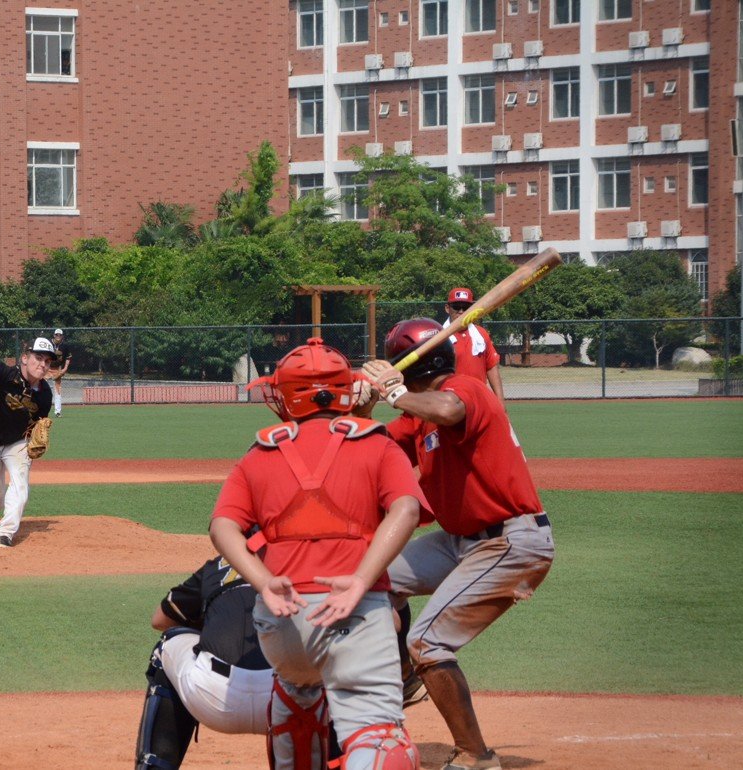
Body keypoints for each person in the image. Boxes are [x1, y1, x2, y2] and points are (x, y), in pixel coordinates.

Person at [208, 338, 426, 770]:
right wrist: (362, 580)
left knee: (299, 707)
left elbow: (221, 526)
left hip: (283, 623)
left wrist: (264, 581)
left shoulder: (259, 453)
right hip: (354, 614)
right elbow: (407, 507)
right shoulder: (376, 444)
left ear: (287, 396)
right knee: (382, 743)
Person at [356, 318, 555, 770]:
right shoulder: (415, 419)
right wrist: (366, 408)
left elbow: (448, 410)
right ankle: (407, 679)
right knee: (374, 579)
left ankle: (476, 756)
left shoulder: (468, 388)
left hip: (512, 541)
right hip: (459, 541)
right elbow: (367, 449)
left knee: (428, 642)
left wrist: (393, 392)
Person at [135, 554, 275, 769]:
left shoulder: (221, 564)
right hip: (283, 704)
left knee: (171, 642)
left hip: (213, 697)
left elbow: (161, 620)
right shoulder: (304, 561)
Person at [0, 337, 56, 548]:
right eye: (38, 357)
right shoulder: (5, 373)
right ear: (24, 358)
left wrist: (34, 439)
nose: (42, 364)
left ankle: (5, 535)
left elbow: (35, 425)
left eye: (48, 361)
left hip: (17, 443)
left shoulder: (45, 395)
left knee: (20, 485)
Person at [444, 288, 505, 407]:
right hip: (451, 403)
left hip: (479, 401)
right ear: (447, 308)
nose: (461, 311)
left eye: (466, 307)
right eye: (456, 307)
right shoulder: (439, 337)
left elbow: (491, 367)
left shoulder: (481, 334)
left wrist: (500, 402)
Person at [47, 328, 72, 417]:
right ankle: (39, 409)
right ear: (54, 335)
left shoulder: (65, 346)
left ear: (62, 336)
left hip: (57, 368)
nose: (58, 336)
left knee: (58, 390)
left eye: (60, 335)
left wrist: (64, 369)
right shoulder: (48, 343)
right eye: (56, 334)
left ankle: (58, 412)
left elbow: (68, 358)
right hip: (46, 368)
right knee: (41, 387)